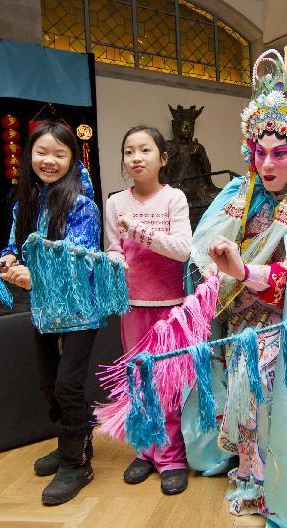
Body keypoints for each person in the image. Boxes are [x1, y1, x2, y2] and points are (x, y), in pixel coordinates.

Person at [181, 48, 287, 528]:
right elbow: (199, 254)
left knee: (275, 405)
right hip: (238, 327)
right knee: (243, 400)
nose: (268, 163)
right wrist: (213, 270)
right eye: (261, 152)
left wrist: (243, 271)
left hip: (285, 330)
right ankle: (251, 479)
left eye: (281, 153)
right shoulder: (236, 195)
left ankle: (281, 483)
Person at [0, 121, 103, 506]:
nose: (50, 161)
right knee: (47, 383)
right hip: (44, 308)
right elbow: (13, 242)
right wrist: (8, 258)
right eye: (42, 152)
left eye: (60, 154)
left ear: (73, 160)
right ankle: (73, 441)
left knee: (67, 386)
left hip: (79, 309)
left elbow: (80, 261)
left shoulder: (81, 205)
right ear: (30, 156)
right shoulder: (26, 201)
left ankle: (76, 464)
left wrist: (32, 276)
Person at [104, 125, 192, 495]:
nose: (136, 158)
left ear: (163, 158)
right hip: (132, 307)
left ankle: (171, 457)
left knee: (168, 384)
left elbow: (183, 249)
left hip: (170, 307)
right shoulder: (114, 203)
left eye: (144, 150)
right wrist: (115, 259)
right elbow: (112, 247)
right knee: (138, 382)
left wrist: (139, 232)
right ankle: (145, 452)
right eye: (129, 151)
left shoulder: (175, 200)